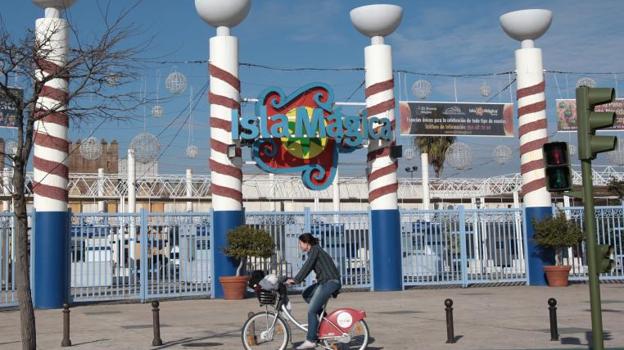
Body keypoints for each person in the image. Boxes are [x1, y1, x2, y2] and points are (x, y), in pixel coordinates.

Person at [286, 233, 341, 350]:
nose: (299, 246)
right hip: (324, 282)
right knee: (306, 294)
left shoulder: (315, 250)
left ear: (307, 243)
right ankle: (324, 321)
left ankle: (311, 340)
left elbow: (308, 266)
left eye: (300, 243)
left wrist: (296, 280)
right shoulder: (314, 251)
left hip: (330, 282)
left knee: (311, 310)